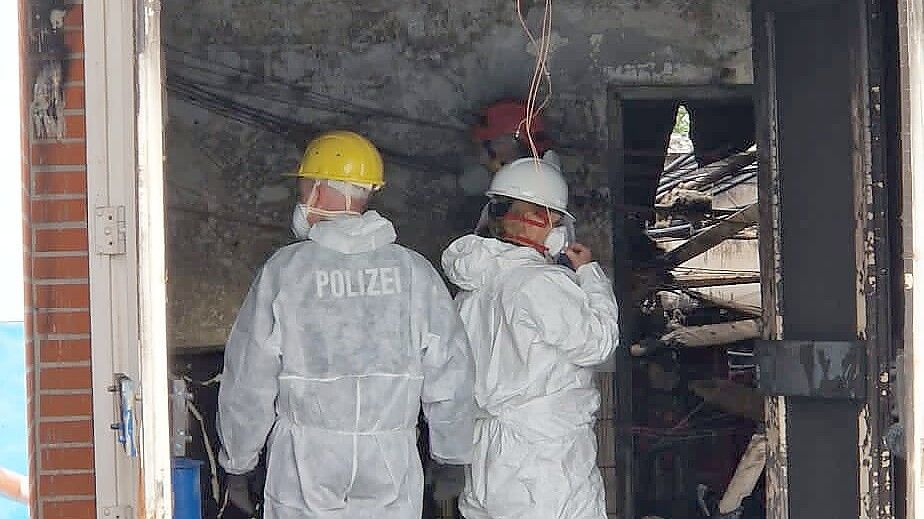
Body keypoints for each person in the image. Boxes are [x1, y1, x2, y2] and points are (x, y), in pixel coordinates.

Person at [217, 130, 476, 518]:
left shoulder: (287, 271)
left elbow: (249, 378)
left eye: (304, 185)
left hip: (306, 462)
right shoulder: (413, 272)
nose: (302, 196)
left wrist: (239, 461)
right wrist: (452, 455)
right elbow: (451, 372)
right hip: (390, 459)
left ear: (319, 190)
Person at [441, 157, 619, 519]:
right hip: (543, 458)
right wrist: (590, 275)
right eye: (555, 220)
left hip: (485, 451)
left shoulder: (470, 292)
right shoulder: (541, 284)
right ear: (540, 220)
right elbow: (598, 342)